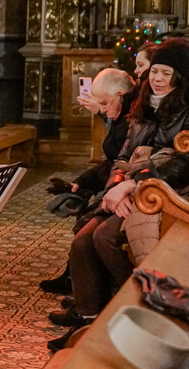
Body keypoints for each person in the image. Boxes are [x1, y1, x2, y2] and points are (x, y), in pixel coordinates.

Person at [49, 39, 189, 351]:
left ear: (179, 77)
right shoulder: (143, 103)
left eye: (167, 73)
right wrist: (114, 188)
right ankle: (89, 321)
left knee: (104, 237)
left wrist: (132, 184)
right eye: (155, 71)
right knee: (82, 241)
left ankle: (136, 311)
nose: (158, 78)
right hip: (132, 186)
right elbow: (124, 154)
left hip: (167, 192)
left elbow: (182, 163)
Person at [40, 68, 137, 295]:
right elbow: (111, 163)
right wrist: (81, 183)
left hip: (129, 191)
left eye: (104, 103)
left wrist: (109, 193)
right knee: (83, 220)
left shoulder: (131, 121)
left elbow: (121, 163)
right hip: (115, 186)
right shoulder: (123, 117)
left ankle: (104, 296)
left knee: (89, 229)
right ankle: (80, 286)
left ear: (120, 95)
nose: (101, 110)